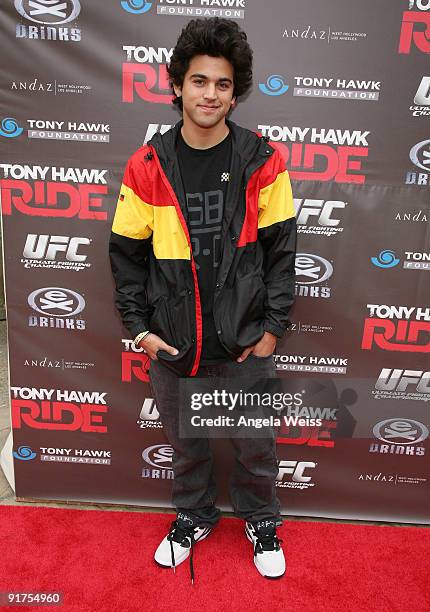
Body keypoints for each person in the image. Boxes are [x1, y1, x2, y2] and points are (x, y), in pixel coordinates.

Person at [109, 17, 296, 581]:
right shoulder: (147, 166)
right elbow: (124, 255)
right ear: (177, 87)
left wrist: (272, 328)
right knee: (186, 444)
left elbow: (283, 251)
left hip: (243, 340)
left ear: (234, 93)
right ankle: (193, 515)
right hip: (175, 341)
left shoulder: (263, 161)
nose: (209, 94)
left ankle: (261, 519)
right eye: (198, 81)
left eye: (220, 84)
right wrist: (140, 330)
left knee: (254, 446)